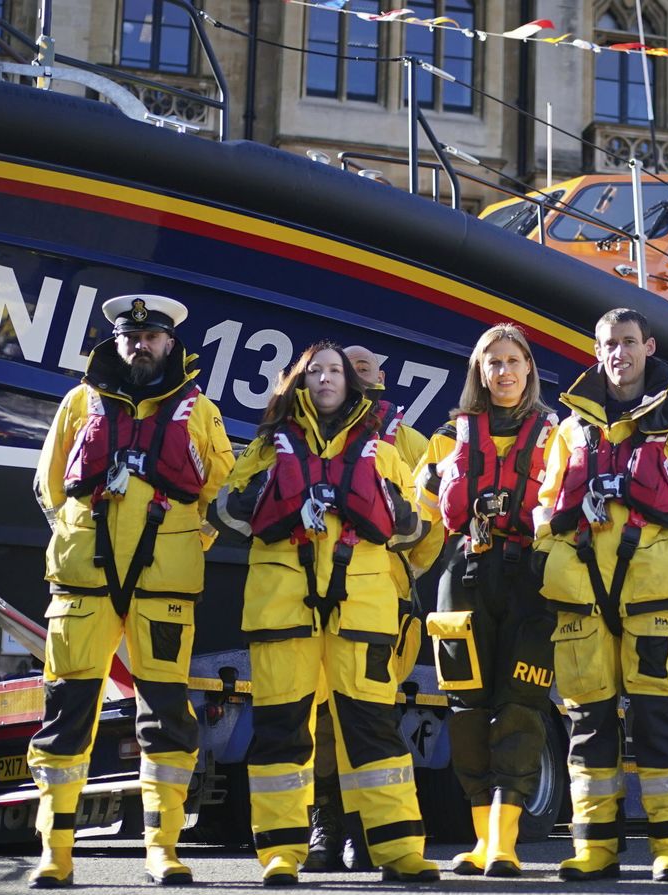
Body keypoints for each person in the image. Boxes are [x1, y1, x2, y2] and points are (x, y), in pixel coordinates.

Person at [28, 293, 234, 888]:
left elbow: (221, 489)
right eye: (130, 336)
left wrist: (188, 539)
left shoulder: (200, 411)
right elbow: (49, 485)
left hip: (163, 585)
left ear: (170, 343)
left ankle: (162, 849)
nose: (140, 345)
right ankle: (56, 854)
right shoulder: (78, 403)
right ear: (115, 341)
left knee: (166, 715)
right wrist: (75, 536)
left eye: (151, 337)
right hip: (83, 585)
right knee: (66, 713)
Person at [222, 341, 437, 886]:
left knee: (374, 730)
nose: (325, 378)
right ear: (299, 382)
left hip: (361, 612)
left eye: (334, 370)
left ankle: (399, 850)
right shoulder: (268, 446)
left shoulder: (380, 449)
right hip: (283, 607)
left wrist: (371, 502)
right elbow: (227, 508)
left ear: (352, 382)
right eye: (314, 370)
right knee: (282, 730)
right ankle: (280, 853)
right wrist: (282, 492)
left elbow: (413, 527)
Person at [535, 308, 668, 882]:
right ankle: (595, 846)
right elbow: (546, 503)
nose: (618, 353)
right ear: (597, 352)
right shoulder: (572, 427)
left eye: (627, 342)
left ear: (648, 346)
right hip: (582, 593)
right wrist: (549, 556)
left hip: (653, 591)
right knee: (588, 722)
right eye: (608, 344)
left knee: (659, 718)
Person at [409, 324, 559, 877]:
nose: (504, 371)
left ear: (529, 367)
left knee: (521, 706)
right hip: (463, 575)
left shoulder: (555, 436)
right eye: (493, 362)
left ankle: (504, 843)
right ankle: (480, 840)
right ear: (479, 370)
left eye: (513, 360)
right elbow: (415, 516)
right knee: (467, 709)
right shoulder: (449, 438)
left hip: (531, 581)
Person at [298, 345, 433, 872]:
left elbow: (429, 524)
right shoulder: (306, 435)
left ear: (381, 377)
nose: (353, 377)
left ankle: (364, 830)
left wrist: (399, 567)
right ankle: (326, 823)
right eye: (341, 368)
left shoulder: (408, 442)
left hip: (383, 603)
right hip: (315, 598)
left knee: (370, 717)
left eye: (362, 369)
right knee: (320, 718)